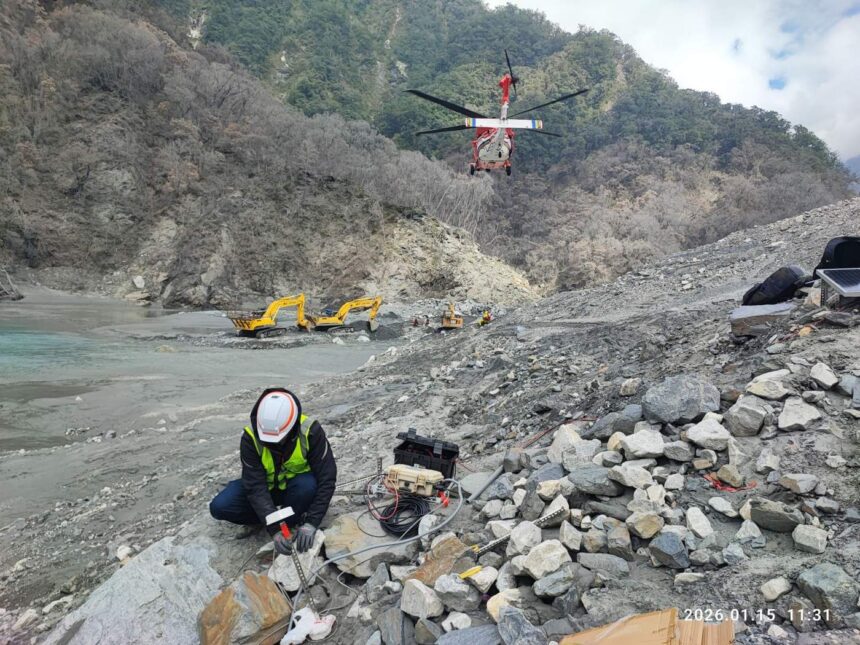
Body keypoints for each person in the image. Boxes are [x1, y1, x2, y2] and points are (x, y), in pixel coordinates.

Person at [209, 388, 337, 555]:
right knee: (220, 506)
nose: (274, 444)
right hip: (266, 490)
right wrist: (275, 530)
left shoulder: (310, 431)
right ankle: (277, 519)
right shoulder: (251, 437)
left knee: (308, 485)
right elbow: (255, 487)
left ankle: (292, 519)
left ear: (291, 426)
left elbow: (327, 478)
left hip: (296, 491)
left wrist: (312, 522)